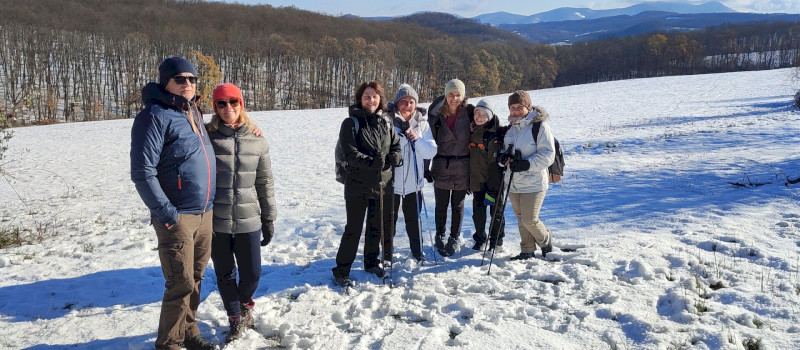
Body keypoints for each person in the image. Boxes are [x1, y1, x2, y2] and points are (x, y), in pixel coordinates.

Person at [130, 57, 216, 350]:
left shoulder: (191, 111)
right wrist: (167, 214)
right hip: (177, 216)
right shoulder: (153, 116)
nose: (188, 84)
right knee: (180, 284)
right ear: (165, 82)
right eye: (180, 79)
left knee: (196, 278)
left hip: (205, 213)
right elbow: (143, 173)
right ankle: (169, 343)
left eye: (192, 79)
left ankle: (189, 332)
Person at [206, 83, 276, 343]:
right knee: (225, 274)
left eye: (233, 102)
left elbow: (265, 182)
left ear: (241, 104)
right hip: (216, 221)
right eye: (221, 103)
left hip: (249, 219)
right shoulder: (207, 137)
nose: (228, 108)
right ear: (215, 107)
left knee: (253, 274)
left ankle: (245, 303)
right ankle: (235, 317)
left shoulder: (257, 139)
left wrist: (268, 217)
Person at [332, 81, 402, 287]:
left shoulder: (386, 123)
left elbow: (395, 145)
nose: (371, 100)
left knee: (376, 227)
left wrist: (395, 156)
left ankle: (371, 262)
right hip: (357, 185)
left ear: (380, 100)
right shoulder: (350, 123)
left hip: (383, 184)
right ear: (359, 99)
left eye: (374, 96)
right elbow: (350, 153)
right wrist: (373, 162)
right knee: (353, 229)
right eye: (366, 96)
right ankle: (342, 269)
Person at [500, 90, 555, 260]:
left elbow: (548, 154)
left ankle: (546, 240)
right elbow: (504, 150)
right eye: (512, 107)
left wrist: (526, 164)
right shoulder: (511, 129)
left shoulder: (539, 126)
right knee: (521, 218)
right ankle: (527, 249)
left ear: (528, 107)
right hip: (513, 181)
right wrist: (503, 158)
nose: (515, 111)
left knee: (530, 219)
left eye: (519, 107)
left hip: (534, 182)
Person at [388, 84, 437, 262]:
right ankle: (386, 253)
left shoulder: (422, 123)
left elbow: (430, 152)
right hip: (391, 182)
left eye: (411, 102)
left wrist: (415, 138)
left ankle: (417, 252)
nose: (408, 105)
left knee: (414, 221)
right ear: (397, 103)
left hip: (414, 183)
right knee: (389, 221)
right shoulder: (387, 121)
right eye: (403, 101)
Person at [427, 79, 473, 257]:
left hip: (463, 166)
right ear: (446, 95)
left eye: (458, 95)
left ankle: (454, 237)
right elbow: (427, 140)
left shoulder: (470, 113)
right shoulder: (436, 115)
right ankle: (440, 235)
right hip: (441, 165)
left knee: (458, 205)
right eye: (451, 94)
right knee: (441, 204)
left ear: (463, 96)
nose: (454, 98)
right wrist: (426, 168)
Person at [468, 98, 506, 252]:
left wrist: (493, 187)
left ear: (490, 116)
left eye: (483, 114)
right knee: (478, 214)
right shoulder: (471, 131)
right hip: (477, 181)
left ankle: (496, 241)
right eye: (477, 113)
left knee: (496, 212)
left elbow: (494, 164)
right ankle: (480, 238)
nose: (479, 117)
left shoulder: (494, 135)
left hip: (493, 182)